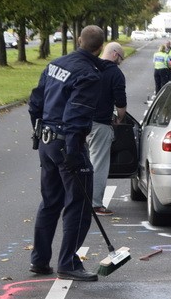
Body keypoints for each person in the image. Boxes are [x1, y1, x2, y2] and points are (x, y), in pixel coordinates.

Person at [27, 24, 106, 282]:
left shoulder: (55, 64)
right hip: (67, 142)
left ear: (79, 40)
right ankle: (68, 263)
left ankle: (39, 260)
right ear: (100, 47)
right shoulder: (89, 75)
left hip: (47, 140)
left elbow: (35, 101)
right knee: (79, 205)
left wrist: (39, 132)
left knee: (50, 202)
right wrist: (73, 151)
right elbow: (77, 113)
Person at [87, 41, 127, 216]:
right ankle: (95, 204)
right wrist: (119, 118)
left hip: (79, 121)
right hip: (100, 123)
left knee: (80, 163)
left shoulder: (89, 66)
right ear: (115, 54)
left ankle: (76, 200)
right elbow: (120, 102)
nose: (120, 62)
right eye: (121, 58)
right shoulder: (115, 73)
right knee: (99, 164)